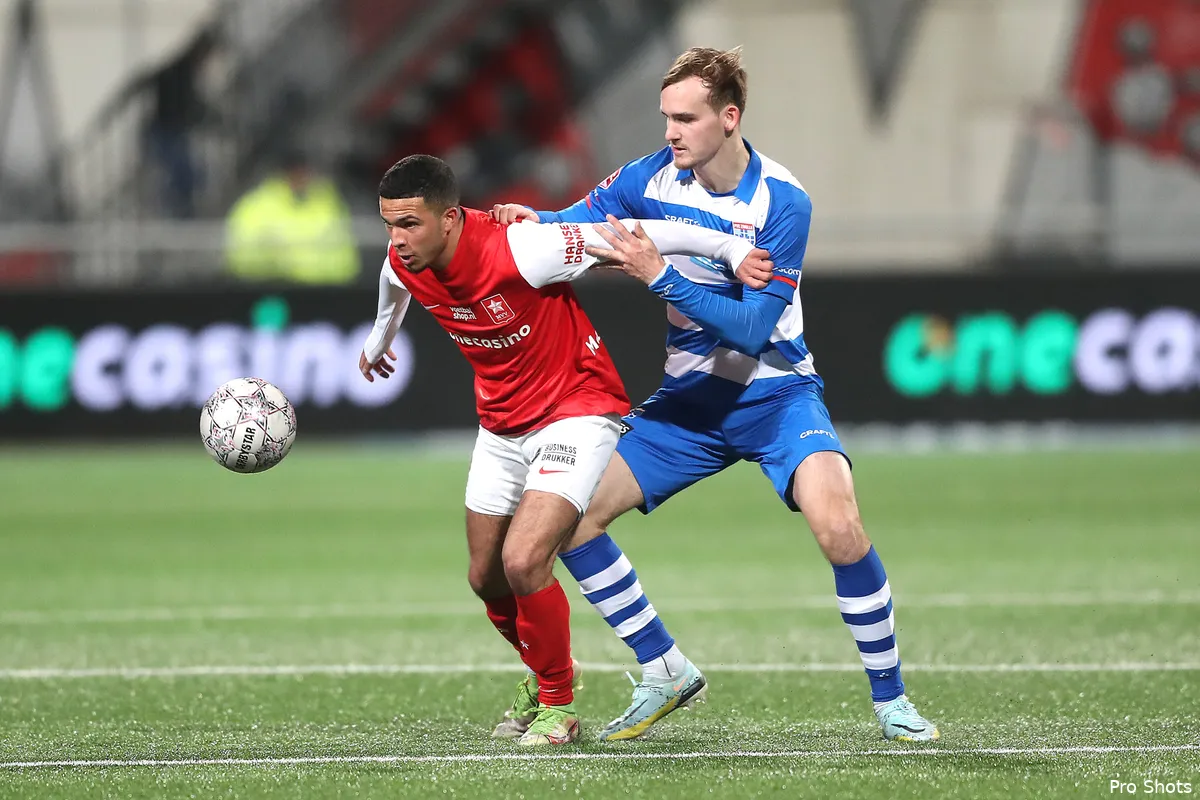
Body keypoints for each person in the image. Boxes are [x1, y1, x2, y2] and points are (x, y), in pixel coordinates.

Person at [490, 46, 940, 743]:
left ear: (729, 118)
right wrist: (532, 221)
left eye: (686, 119)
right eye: (666, 117)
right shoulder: (646, 178)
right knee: (567, 521)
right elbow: (574, 225)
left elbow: (755, 330)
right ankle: (663, 668)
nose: (671, 132)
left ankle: (893, 703)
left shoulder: (782, 201)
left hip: (777, 396)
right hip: (689, 405)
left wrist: (658, 276)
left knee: (839, 527)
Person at [359, 154, 771, 746]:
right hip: (501, 423)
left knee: (525, 559)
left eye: (408, 225)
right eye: (389, 225)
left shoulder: (522, 247)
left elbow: (629, 234)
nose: (397, 240)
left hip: (576, 409)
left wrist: (729, 250)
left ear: (449, 219)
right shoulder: (406, 257)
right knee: (485, 576)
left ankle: (558, 706)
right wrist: (379, 339)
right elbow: (392, 284)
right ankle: (548, 669)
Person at [225, 150, 360, 284]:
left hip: (325, 289)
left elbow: (347, 260)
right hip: (272, 288)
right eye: (296, 171)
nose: (302, 177)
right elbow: (237, 257)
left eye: (305, 171)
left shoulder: (329, 202)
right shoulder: (255, 205)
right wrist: (274, 258)